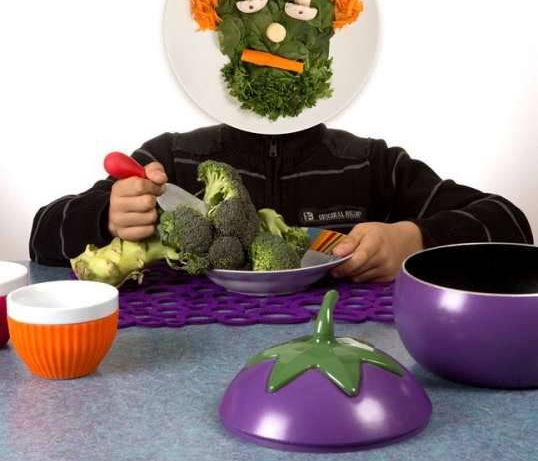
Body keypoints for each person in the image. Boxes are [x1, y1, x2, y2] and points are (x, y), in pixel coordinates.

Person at [29, 123, 533, 282]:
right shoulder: (173, 159)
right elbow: (42, 236)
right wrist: (105, 215)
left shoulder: (370, 163)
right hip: (189, 372)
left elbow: (511, 225)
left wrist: (414, 239)